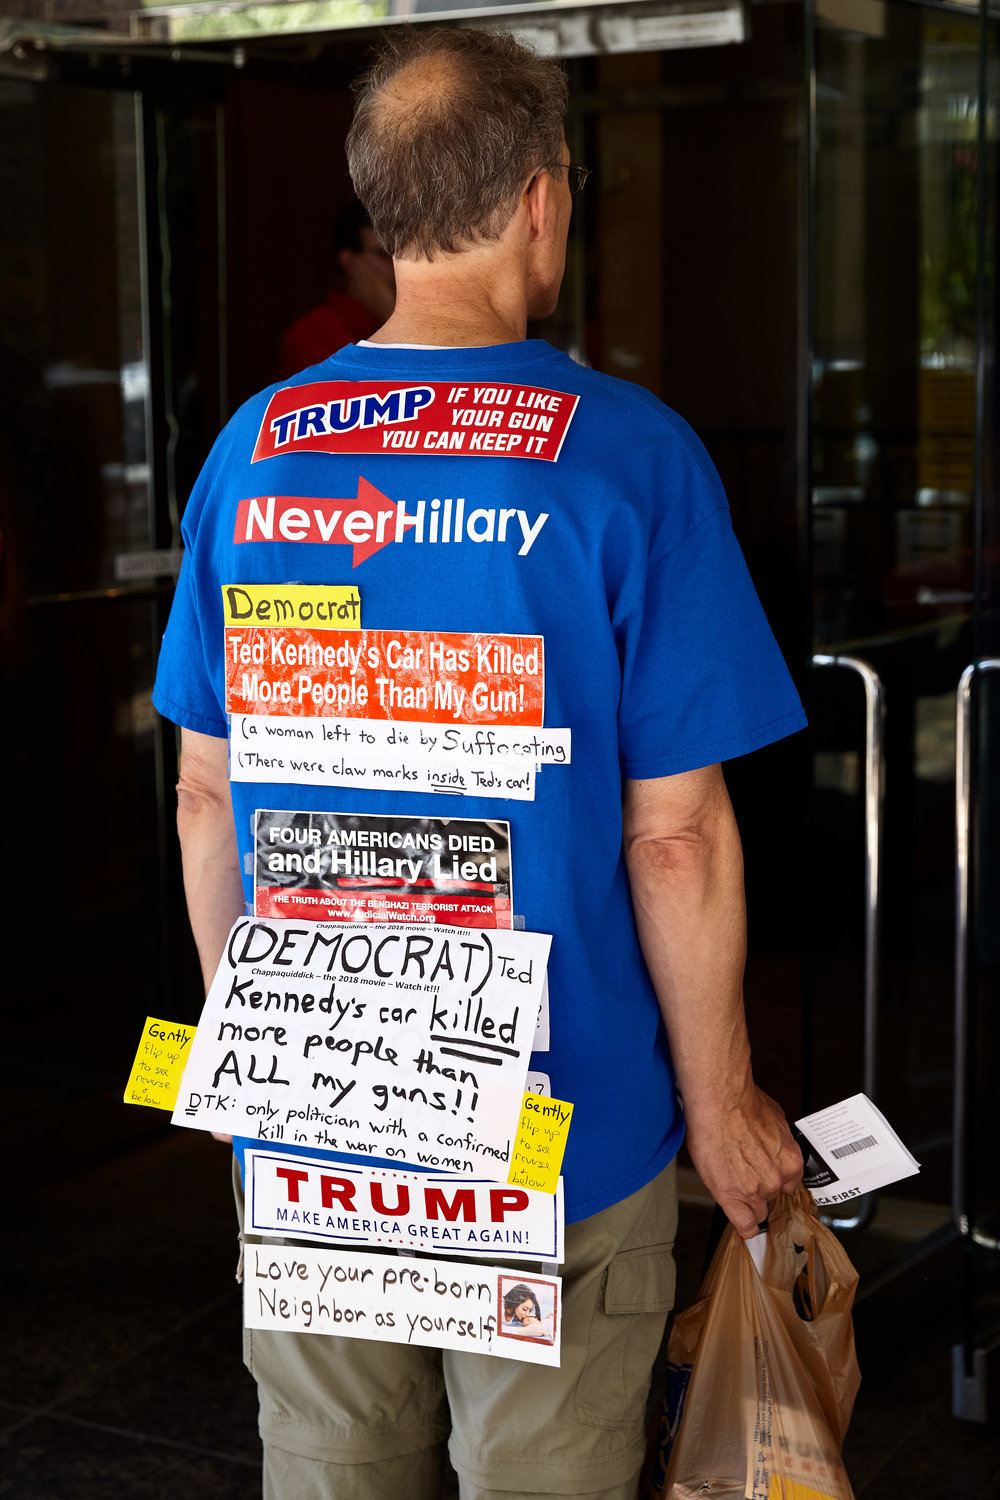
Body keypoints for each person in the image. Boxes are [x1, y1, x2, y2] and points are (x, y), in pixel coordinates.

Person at [153, 25, 806, 1500]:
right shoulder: (627, 457)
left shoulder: (252, 453)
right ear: (542, 200)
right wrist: (724, 1105)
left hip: (323, 1133)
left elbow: (206, 794)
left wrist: (269, 1060)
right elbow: (675, 840)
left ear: (384, 211)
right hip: (553, 1133)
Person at [276, 200, 395, 378]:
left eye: (400, 254)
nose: (396, 266)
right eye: (383, 254)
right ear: (349, 260)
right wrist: (393, 317)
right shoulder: (311, 336)